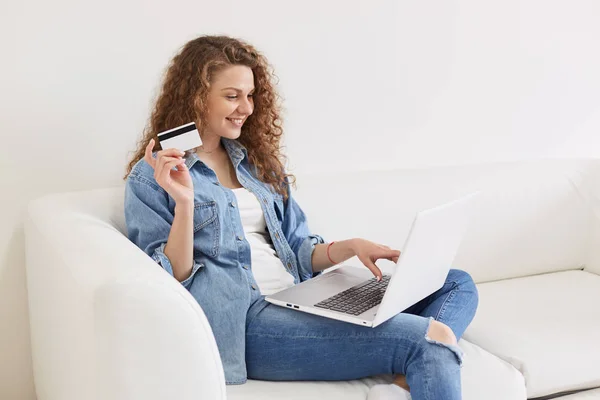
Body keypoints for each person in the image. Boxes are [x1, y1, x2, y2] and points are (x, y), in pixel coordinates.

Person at [123, 35, 479, 400]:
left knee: (455, 283)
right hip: (247, 325)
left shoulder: (256, 163)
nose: (245, 107)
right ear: (196, 98)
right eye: (232, 96)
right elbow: (170, 280)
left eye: (250, 95)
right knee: (429, 339)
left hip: (297, 295)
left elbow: (299, 249)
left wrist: (351, 248)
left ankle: (405, 377)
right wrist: (184, 203)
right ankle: (420, 360)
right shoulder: (152, 176)